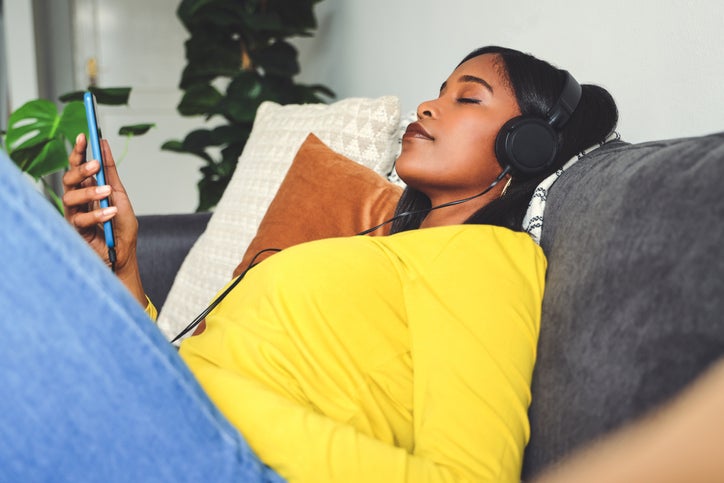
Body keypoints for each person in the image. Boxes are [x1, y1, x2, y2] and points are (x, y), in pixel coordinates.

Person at [1, 46, 617, 482]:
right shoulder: (384, 249)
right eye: (438, 90)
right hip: (170, 416)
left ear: (523, 146)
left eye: (467, 98)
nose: (429, 105)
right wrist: (125, 262)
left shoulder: (489, 258)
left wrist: (201, 395)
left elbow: (469, 476)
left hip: (215, 446)